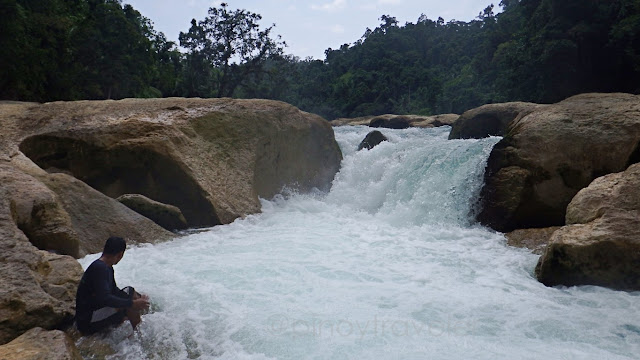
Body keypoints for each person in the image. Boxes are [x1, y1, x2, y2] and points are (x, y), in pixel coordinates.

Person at [75, 236, 150, 335]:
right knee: (129, 298)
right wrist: (132, 304)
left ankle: (138, 318)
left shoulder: (105, 267)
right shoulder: (100, 269)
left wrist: (137, 300)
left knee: (130, 293)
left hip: (94, 312)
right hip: (87, 322)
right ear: (120, 254)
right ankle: (139, 334)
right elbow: (105, 298)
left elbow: (115, 292)